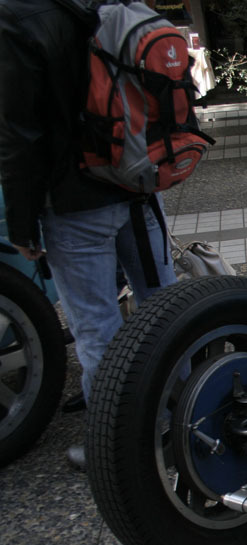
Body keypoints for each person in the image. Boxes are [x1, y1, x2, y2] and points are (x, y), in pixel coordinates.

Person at [0, 0, 177, 467]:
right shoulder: (110, 5)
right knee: (164, 305)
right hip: (137, 181)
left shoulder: (16, 18)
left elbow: (20, 134)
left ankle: (117, 447)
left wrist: (21, 221)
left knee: (97, 327)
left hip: (75, 201)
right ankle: (186, 413)